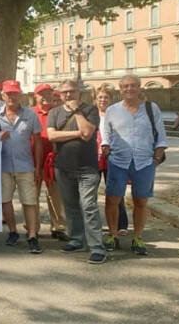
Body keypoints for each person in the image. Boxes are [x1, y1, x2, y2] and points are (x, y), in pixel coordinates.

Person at [102, 75, 167, 255]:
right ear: (120, 90)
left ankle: (137, 238)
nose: (129, 89)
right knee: (112, 199)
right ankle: (112, 235)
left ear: (139, 88)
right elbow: (106, 136)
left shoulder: (151, 108)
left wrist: (156, 159)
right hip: (118, 161)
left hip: (145, 162)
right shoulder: (112, 110)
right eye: (124, 86)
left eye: (132, 86)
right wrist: (108, 153)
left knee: (141, 200)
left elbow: (161, 137)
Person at [48, 79, 106, 264]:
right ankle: (76, 239)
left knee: (88, 207)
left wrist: (76, 111)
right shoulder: (54, 112)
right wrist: (76, 134)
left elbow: (88, 132)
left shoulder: (90, 110)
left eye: (72, 91)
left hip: (87, 169)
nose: (68, 95)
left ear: (79, 92)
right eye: (64, 92)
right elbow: (52, 135)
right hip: (63, 168)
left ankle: (97, 247)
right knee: (71, 206)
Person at [0, 80, 43, 254]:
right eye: (8, 94)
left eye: (15, 93)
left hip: (25, 165)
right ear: (3, 95)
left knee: (30, 201)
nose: (12, 97)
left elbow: (37, 141)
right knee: (5, 200)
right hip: (3, 165)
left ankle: (32, 235)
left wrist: (38, 166)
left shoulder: (30, 115)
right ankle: (12, 231)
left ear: (20, 95)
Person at [31, 84, 67, 241]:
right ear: (35, 96)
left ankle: (59, 226)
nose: (45, 96)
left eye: (48, 93)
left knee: (56, 195)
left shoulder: (59, 112)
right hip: (33, 159)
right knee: (32, 195)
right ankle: (33, 227)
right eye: (41, 93)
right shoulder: (30, 113)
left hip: (54, 159)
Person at [94, 84, 128, 236]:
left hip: (112, 157)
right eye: (100, 97)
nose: (103, 100)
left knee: (116, 192)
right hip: (94, 157)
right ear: (95, 99)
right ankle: (94, 224)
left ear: (111, 99)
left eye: (106, 97)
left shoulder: (117, 114)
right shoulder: (91, 114)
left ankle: (121, 225)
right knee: (91, 193)